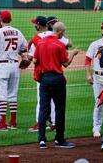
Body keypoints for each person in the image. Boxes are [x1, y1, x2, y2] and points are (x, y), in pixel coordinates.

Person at [33, 21, 79, 149]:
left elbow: (35, 60)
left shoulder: (41, 42)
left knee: (43, 108)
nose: (63, 34)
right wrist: (73, 54)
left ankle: (42, 140)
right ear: (59, 31)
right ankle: (59, 139)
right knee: (59, 109)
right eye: (63, 32)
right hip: (57, 79)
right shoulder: (59, 45)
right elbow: (65, 64)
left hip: (44, 79)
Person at [85, 21, 103, 138]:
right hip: (97, 78)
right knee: (98, 103)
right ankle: (96, 128)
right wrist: (88, 74)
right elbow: (87, 60)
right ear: (101, 30)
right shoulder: (94, 44)